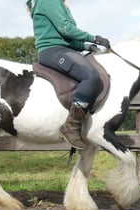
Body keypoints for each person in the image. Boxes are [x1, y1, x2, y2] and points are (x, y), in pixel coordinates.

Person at [26, 0, 111, 150]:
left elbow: (67, 39)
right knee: (90, 76)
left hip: (63, 49)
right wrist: (94, 38)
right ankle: (71, 126)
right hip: (53, 51)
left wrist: (88, 46)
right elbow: (66, 29)